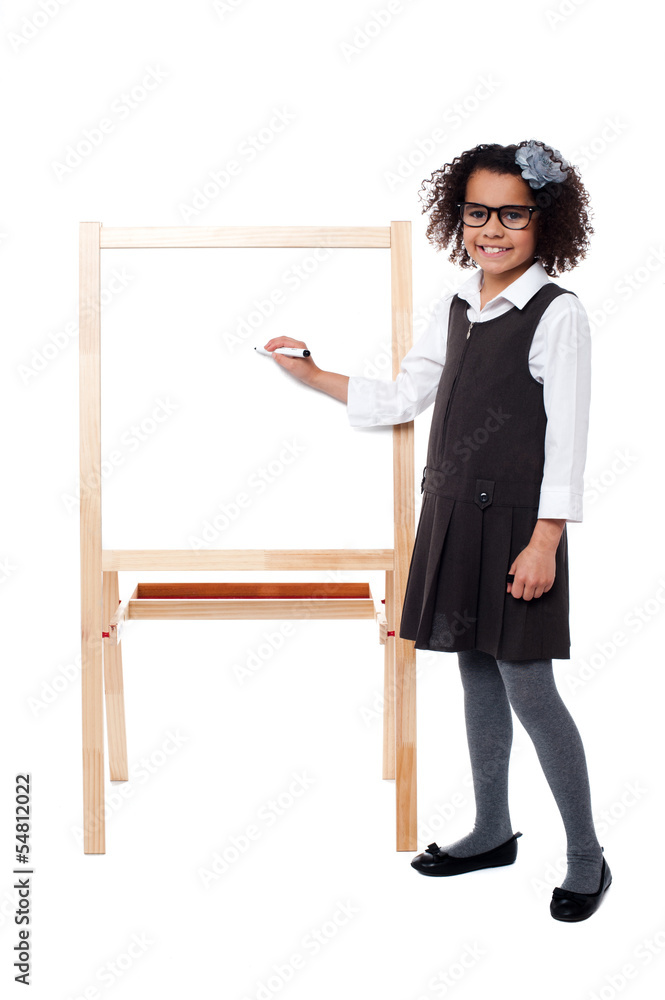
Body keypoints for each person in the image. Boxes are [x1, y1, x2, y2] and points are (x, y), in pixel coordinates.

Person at [262, 140, 611, 922]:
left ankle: (586, 856)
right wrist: (311, 373)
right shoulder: (454, 304)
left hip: (518, 525)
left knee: (529, 688)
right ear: (460, 217)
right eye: (478, 212)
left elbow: (568, 437)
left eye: (512, 215)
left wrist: (545, 541)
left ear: (544, 221)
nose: (492, 229)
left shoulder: (557, 314)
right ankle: (491, 831)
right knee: (474, 672)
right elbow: (402, 395)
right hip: (451, 511)